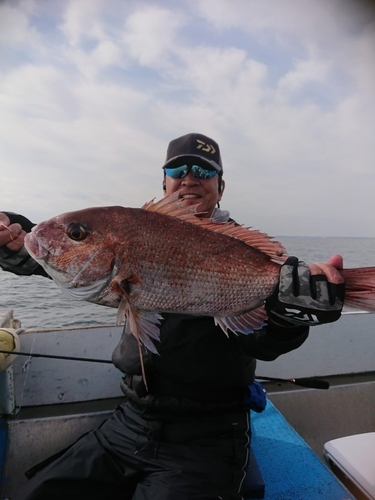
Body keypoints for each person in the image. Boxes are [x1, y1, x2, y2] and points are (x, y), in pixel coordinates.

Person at [0, 133, 345, 500]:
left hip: (209, 435)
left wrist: (287, 317)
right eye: (178, 169)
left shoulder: (235, 250)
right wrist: (19, 238)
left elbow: (263, 340)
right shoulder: (134, 234)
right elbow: (68, 261)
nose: (189, 177)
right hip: (130, 420)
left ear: (220, 187)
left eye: (203, 171)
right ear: (164, 183)